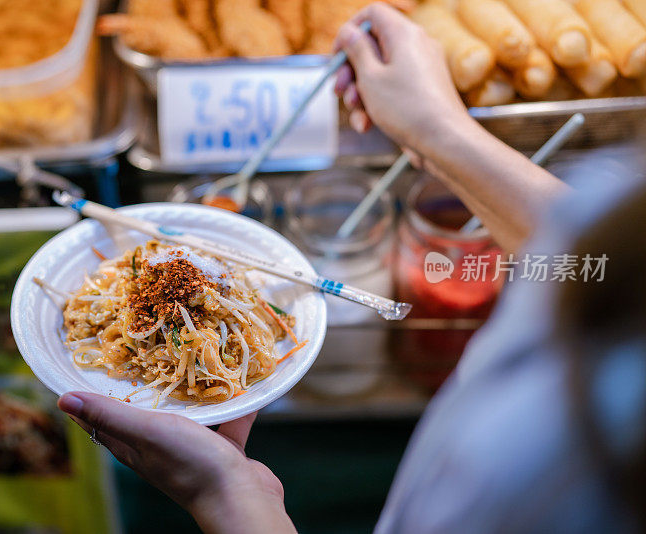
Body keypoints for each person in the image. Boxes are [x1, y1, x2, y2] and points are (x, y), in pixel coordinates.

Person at [57, 3, 646, 533]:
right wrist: (436, 129)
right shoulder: (616, 245)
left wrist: (226, 495)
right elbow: (583, 257)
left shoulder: (603, 460)